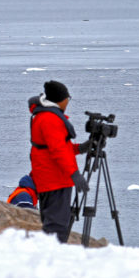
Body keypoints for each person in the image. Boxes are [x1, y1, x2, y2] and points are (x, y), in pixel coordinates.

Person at [28, 80, 90, 243]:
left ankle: (49, 257)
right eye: (67, 98)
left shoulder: (44, 115)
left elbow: (57, 147)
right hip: (55, 180)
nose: (68, 102)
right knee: (56, 227)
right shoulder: (50, 119)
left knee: (53, 224)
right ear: (60, 100)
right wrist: (74, 174)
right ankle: (51, 259)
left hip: (49, 178)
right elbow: (58, 151)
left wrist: (80, 148)